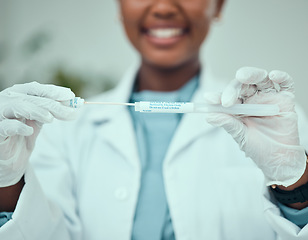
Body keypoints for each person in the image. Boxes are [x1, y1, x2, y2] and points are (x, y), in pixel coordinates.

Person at [0, 0, 308, 239]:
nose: (162, 7)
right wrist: (6, 184)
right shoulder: (64, 128)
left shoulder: (270, 119)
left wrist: (295, 184)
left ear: (220, 5)